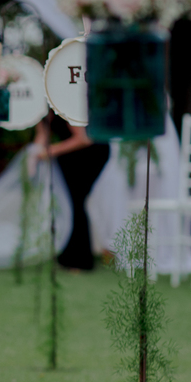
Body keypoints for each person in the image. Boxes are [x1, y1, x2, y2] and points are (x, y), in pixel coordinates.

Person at [33, 115, 110, 271]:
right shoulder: (42, 112)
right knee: (67, 200)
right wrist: (32, 159)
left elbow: (84, 138)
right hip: (68, 154)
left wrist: (51, 150)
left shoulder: (65, 107)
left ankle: (79, 260)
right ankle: (68, 256)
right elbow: (42, 136)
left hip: (89, 153)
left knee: (75, 200)